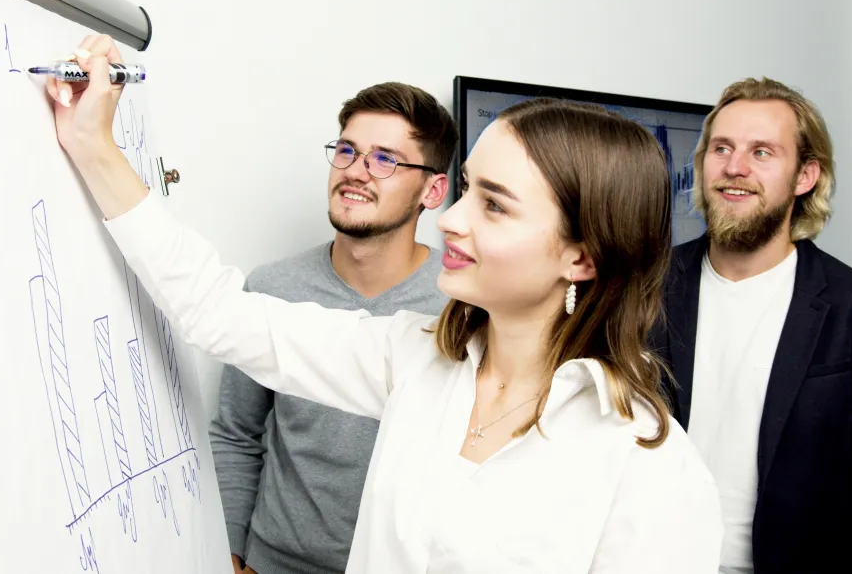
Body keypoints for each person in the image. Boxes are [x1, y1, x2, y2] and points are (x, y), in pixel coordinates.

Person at [44, 34, 722, 573]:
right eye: (466, 191)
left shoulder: (645, 462)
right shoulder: (417, 359)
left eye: (494, 205)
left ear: (581, 255)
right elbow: (221, 313)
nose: (453, 220)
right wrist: (93, 145)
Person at [651, 77, 852, 573]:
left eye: (762, 152)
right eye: (722, 148)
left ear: (805, 176)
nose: (735, 168)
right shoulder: (644, 291)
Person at [208, 82, 455, 574]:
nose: (356, 172)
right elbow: (236, 434)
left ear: (432, 190)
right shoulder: (272, 288)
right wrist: (231, 552)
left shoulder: (459, 309)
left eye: (385, 159)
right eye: (347, 151)